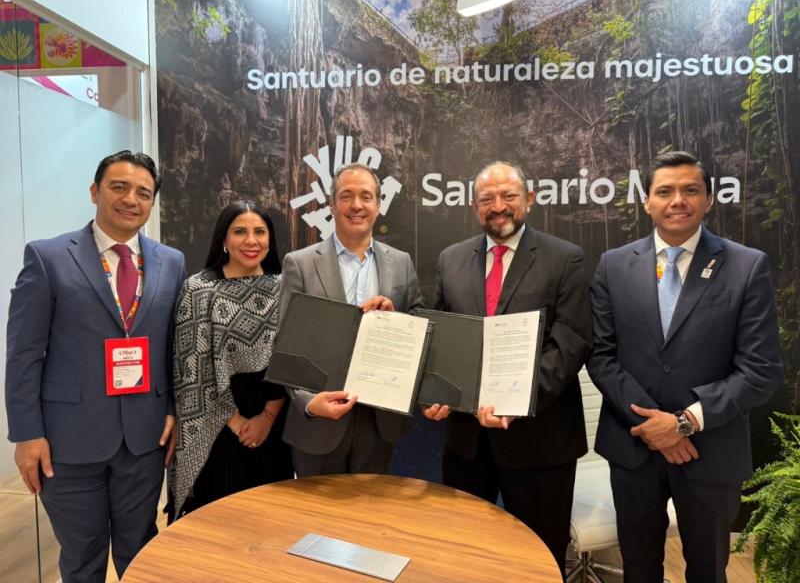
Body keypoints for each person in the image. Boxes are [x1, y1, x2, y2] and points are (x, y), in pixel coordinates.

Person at [587, 151, 782, 582]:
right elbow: (601, 356)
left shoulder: (747, 266)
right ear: (647, 202)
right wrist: (652, 426)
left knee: (708, 571)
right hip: (634, 449)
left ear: (708, 199)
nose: (678, 200)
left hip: (710, 449)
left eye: (690, 190)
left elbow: (760, 368)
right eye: (665, 191)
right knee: (638, 570)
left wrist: (683, 423)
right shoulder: (613, 266)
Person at [5, 151, 186, 582]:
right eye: (118, 187)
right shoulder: (48, 257)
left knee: (141, 550)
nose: (131, 200)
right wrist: (27, 434)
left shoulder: (171, 261)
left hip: (144, 439)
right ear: (95, 191)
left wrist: (173, 410)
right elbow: (24, 353)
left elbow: (175, 347)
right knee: (82, 556)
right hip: (68, 443)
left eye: (143, 192)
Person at [423, 161, 592, 576]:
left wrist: (517, 401)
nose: (498, 206)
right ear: (474, 207)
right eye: (487, 199)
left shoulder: (564, 258)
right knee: (463, 553)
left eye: (509, 196)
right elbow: (439, 336)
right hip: (466, 443)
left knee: (540, 558)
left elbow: (570, 343)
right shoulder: (451, 259)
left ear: (529, 200)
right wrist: (434, 392)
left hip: (540, 441)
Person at [279, 163, 424, 476]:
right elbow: (284, 344)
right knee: (316, 508)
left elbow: (419, 329)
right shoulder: (300, 264)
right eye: (346, 196)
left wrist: (396, 320)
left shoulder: (401, 263)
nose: (356, 205)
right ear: (331, 205)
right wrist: (307, 402)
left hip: (379, 421)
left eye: (366, 197)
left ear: (378, 205)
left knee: (370, 506)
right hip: (318, 423)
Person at [169, 201, 293, 520]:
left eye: (259, 232)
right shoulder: (199, 290)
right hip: (215, 424)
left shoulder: (285, 288)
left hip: (274, 419)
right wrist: (237, 424)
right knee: (217, 520)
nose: (251, 241)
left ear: (270, 239)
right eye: (240, 232)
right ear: (224, 239)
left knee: (271, 518)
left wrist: (266, 418)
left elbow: (292, 361)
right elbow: (191, 370)